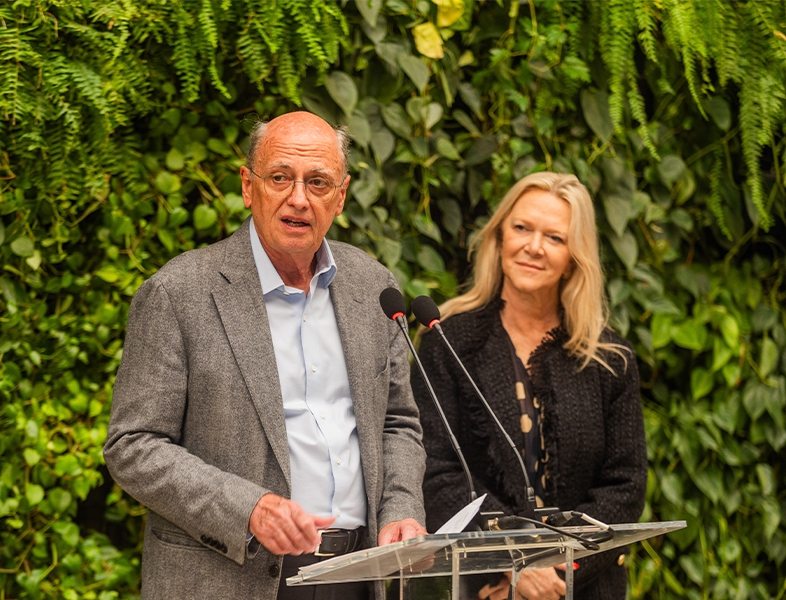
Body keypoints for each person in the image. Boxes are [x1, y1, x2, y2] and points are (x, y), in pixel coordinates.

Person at [104, 111, 427, 600]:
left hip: (360, 574)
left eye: (317, 182)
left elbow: (398, 423)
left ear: (340, 197)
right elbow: (133, 445)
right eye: (280, 178)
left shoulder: (373, 285)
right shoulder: (178, 292)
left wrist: (402, 507)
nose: (298, 198)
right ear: (248, 186)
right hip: (230, 577)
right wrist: (247, 509)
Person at [412, 172, 647, 600]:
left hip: (582, 587)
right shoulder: (449, 343)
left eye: (555, 238)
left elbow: (624, 485)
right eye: (522, 228)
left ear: (576, 255)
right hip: (483, 589)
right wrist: (511, 565)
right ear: (500, 235)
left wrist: (560, 569)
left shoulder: (609, 359)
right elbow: (438, 473)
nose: (534, 247)